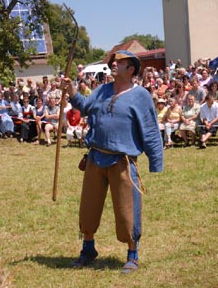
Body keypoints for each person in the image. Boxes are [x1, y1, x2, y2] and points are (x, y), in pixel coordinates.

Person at [62, 50, 163, 274]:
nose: (113, 65)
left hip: (123, 161)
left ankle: (132, 255)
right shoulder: (103, 89)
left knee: (127, 210)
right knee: (89, 207)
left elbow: (150, 129)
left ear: (131, 69)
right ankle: (88, 249)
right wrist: (71, 91)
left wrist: (156, 161)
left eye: (119, 62)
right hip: (95, 158)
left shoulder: (141, 96)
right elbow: (85, 106)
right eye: (113, 62)